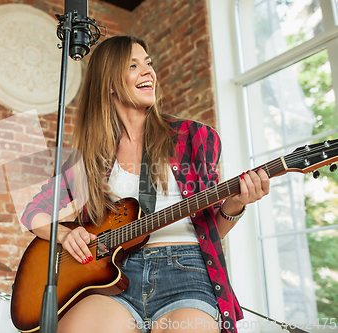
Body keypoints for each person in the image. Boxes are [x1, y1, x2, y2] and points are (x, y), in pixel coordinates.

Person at [20, 36, 270, 333]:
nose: (148, 71)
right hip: (112, 275)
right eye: (134, 65)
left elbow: (215, 226)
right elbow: (33, 212)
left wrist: (236, 204)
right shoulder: (90, 157)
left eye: (148, 64)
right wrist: (63, 236)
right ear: (110, 83)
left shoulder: (195, 136)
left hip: (186, 271)